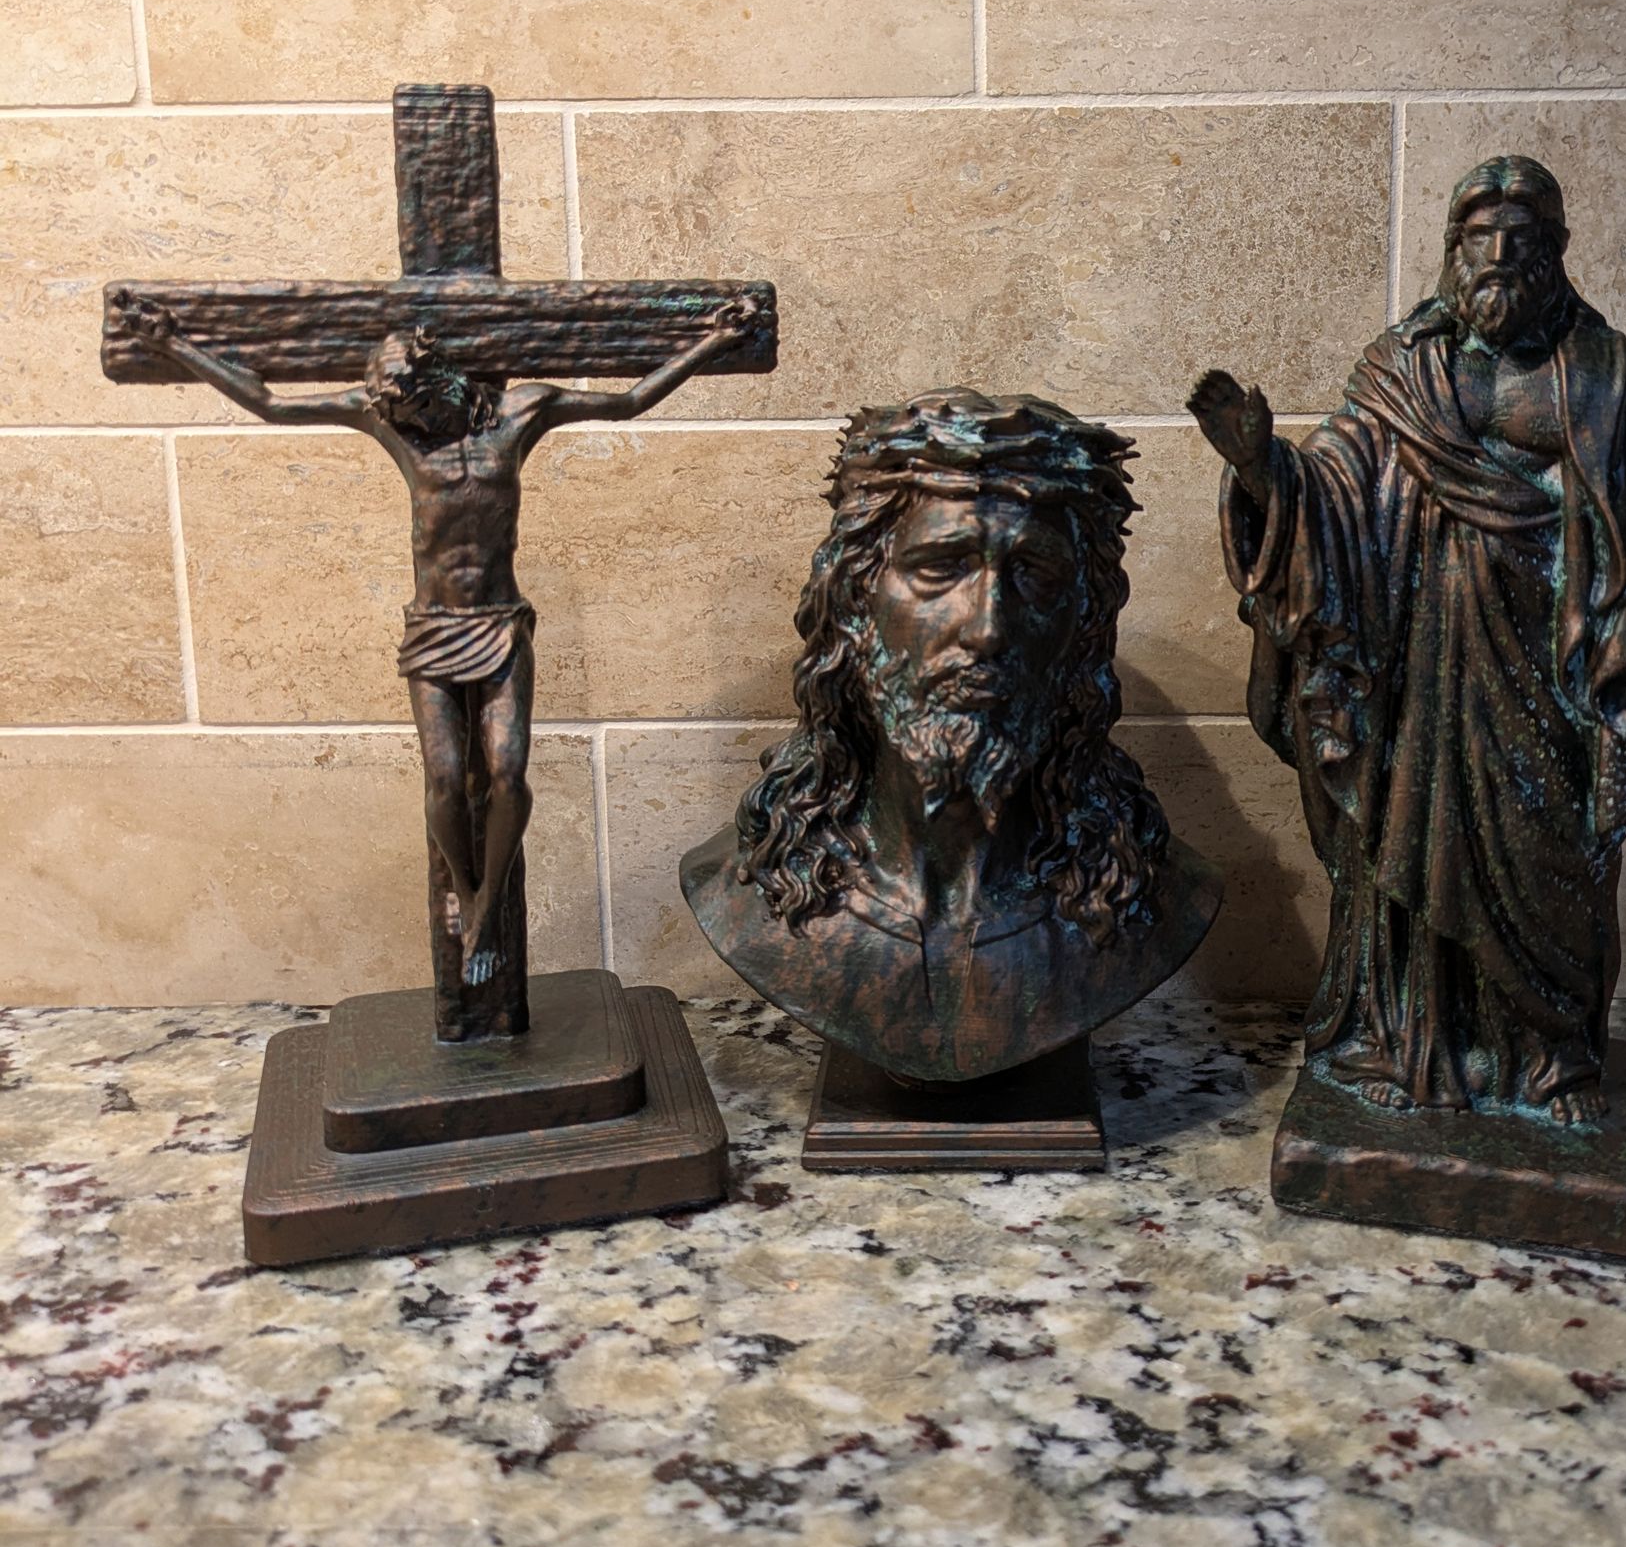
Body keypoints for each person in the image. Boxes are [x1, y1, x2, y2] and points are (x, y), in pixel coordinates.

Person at [1189, 156, 1626, 1124]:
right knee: (1407, 856)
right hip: (1417, 669)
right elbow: (1334, 489)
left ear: (1554, 255)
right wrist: (1264, 468)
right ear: (1454, 251)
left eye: (1521, 240)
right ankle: (1405, 1043)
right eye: (1480, 238)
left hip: (1549, 664)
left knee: (1550, 864)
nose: (1499, 257)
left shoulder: (1601, 369)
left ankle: (1549, 1060)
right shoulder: (1402, 369)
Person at [127, 301, 749, 999]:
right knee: (447, 779)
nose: (409, 421)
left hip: (500, 623)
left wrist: (713, 340)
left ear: (441, 377)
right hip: (432, 628)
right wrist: (175, 346)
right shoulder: (390, 423)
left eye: (417, 405)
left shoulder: (521, 414)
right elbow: (271, 404)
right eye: (398, 411)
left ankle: (487, 906)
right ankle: (465, 888)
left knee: (508, 774)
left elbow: (629, 401)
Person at [682, 389, 1219, 1083]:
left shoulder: (1146, 893)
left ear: (1084, 622)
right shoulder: (750, 883)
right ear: (855, 603)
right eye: (941, 568)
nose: (987, 628)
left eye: (1034, 575)